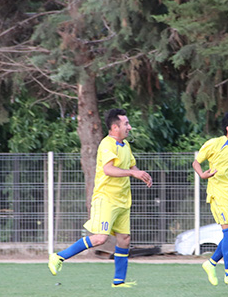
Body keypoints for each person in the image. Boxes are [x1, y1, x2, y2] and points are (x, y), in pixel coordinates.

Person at [47, 108, 152, 287]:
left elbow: (131, 166)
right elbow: (108, 169)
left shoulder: (125, 145)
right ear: (115, 127)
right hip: (106, 199)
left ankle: (118, 282)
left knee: (125, 239)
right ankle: (58, 257)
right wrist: (133, 173)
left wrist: (140, 173)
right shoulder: (107, 144)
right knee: (100, 238)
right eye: (126, 124)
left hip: (122, 200)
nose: (129, 127)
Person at [192, 112, 228, 287]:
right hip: (218, 194)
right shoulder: (214, 144)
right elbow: (196, 162)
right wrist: (202, 175)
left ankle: (210, 263)